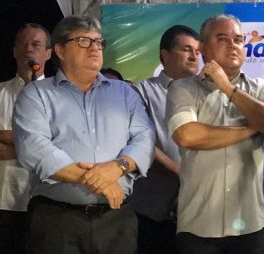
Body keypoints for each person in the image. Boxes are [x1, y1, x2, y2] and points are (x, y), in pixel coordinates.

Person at [12, 15, 155, 254]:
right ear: (59, 49)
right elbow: (34, 148)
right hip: (57, 220)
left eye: (98, 42)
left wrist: (115, 168)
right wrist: (100, 182)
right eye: (83, 41)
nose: (95, 48)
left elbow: (145, 138)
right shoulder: (37, 94)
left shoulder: (125, 93)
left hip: (116, 219)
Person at [165, 14, 264, 254]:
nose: (233, 45)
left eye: (239, 40)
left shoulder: (261, 87)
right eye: (223, 39)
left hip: (249, 224)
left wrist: (228, 88)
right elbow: (188, 136)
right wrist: (252, 128)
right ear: (202, 47)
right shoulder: (183, 88)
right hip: (198, 225)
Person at [131, 25, 201, 254]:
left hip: (201, 208)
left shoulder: (208, 94)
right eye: (187, 50)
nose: (194, 56)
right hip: (153, 209)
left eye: (198, 51)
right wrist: (185, 176)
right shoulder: (140, 92)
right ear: (165, 55)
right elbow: (142, 143)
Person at [0, 23, 51, 254]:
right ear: (13, 51)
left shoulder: (59, 95)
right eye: (22, 43)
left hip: (47, 202)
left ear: (49, 53)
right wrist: (35, 145)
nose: (28, 49)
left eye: (36, 44)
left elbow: (61, 144)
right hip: (4, 200)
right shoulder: (1, 92)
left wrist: (11, 139)